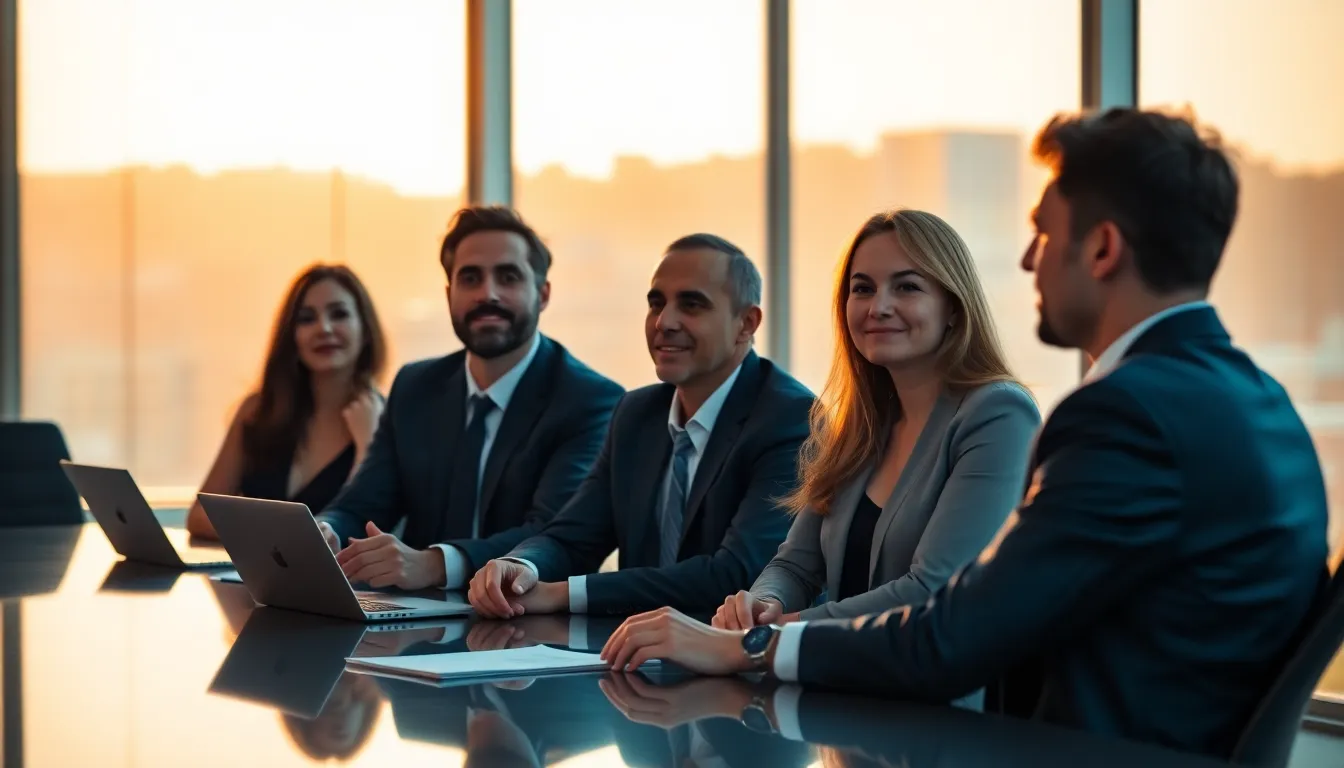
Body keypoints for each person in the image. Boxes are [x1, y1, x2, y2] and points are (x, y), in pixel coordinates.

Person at [597, 107, 1331, 760]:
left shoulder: (1124, 414)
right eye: (862, 286)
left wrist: (749, 646)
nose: (1026, 259)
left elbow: (952, 633)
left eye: (1044, 232)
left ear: (1103, 249)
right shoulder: (1255, 400)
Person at [711, 209, 1038, 632]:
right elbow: (794, 565)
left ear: (953, 307)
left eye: (907, 287)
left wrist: (772, 635)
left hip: (934, 693)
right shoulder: (858, 424)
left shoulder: (997, 414)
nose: (878, 307)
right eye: (862, 288)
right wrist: (761, 604)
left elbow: (932, 590)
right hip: (834, 682)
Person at [466, 234, 814, 618]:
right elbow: (572, 537)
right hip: (634, 654)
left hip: (736, 657)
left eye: (691, 304)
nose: (665, 322)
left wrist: (564, 593)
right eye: (656, 303)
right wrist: (522, 567)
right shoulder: (636, 413)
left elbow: (735, 574)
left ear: (746, 323)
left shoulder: (791, 419)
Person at [315, 205, 624, 591]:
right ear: (449, 294)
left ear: (542, 294)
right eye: (470, 278)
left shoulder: (590, 401)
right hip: (413, 624)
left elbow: (553, 535)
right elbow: (361, 504)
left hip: (528, 628)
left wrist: (435, 564)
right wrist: (325, 531)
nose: (487, 294)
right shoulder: (415, 387)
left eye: (508, 277)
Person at [186, 264, 388, 539]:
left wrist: (368, 446)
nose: (324, 328)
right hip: (252, 578)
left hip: (338, 582)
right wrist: (279, 535)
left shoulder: (386, 419)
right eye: (306, 319)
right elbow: (199, 516)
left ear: (365, 329)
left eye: (339, 314)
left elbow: (367, 529)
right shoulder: (258, 411)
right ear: (291, 336)